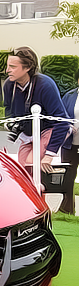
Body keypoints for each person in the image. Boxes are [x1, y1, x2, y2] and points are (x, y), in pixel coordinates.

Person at [3, 46, 70, 175]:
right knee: (22, 171)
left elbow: (63, 122)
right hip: (27, 134)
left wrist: (50, 154)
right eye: (7, 66)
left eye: (12, 66)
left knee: (30, 166)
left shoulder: (45, 85)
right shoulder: (9, 85)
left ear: (27, 67)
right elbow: (9, 111)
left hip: (47, 130)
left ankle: (39, 192)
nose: (7, 70)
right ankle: (34, 193)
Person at [59, 68, 79, 214]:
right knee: (68, 177)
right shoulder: (69, 96)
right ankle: (67, 211)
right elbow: (61, 116)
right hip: (70, 145)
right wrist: (69, 126)